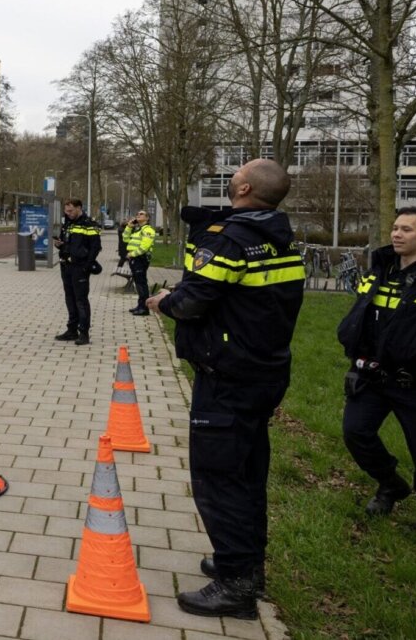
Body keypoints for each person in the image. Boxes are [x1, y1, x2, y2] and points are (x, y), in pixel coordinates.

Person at [146, 159, 304, 620]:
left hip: (229, 376)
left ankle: (236, 585)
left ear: (245, 187)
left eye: (237, 172)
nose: (233, 174)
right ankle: (245, 562)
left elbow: (195, 299)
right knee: (248, 473)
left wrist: (164, 302)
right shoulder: (279, 238)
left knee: (219, 480)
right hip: (265, 370)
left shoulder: (232, 239)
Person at [336, 207, 416, 535]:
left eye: (406, 230)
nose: (396, 234)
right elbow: (364, 315)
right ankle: (391, 484)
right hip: (374, 375)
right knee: (355, 432)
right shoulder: (382, 268)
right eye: (395, 228)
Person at [53, 198, 102, 346]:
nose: (68, 213)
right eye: (66, 211)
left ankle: (84, 333)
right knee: (70, 299)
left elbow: (95, 247)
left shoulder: (89, 224)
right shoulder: (68, 223)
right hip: (66, 265)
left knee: (81, 300)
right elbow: (66, 242)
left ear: (79, 208)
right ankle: (71, 330)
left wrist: (87, 265)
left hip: (80, 267)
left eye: (71, 211)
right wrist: (59, 245)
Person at [123, 211, 157, 315]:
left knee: (141, 283)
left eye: (141, 214)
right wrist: (129, 227)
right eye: (137, 214)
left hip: (140, 258)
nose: (138, 215)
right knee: (138, 283)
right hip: (135, 258)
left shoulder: (148, 230)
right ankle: (140, 305)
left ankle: (144, 308)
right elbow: (125, 238)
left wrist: (132, 254)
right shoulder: (137, 230)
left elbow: (144, 247)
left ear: (147, 218)